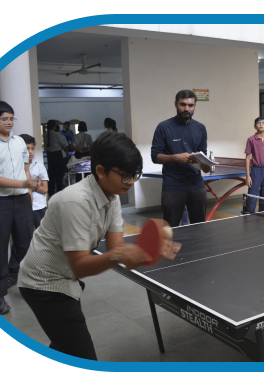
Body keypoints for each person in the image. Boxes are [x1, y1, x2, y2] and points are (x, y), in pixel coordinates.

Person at [17, 131, 180, 360]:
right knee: (82, 356)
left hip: (66, 277)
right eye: (125, 175)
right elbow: (83, 266)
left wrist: (147, 252)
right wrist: (122, 255)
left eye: (135, 175)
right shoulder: (74, 201)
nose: (131, 182)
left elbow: (116, 249)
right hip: (44, 284)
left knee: (65, 344)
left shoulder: (112, 196)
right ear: (100, 171)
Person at [0, 101, 41, 314]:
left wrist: (29, 192)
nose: (9, 122)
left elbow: (25, 169)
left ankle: (16, 275)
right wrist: (23, 184)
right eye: (4, 119)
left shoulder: (20, 143)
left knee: (25, 245)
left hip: (21, 201)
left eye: (12, 118)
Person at [151, 89, 211, 227]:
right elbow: (155, 157)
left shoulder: (200, 128)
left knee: (199, 226)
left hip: (196, 183)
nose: (186, 108)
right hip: (173, 184)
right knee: (170, 228)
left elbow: (203, 156)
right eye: (182, 104)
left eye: (190, 105)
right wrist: (176, 157)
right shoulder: (164, 127)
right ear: (175, 104)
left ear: (195, 105)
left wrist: (206, 166)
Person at [245, 117, 264, 212]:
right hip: (256, 170)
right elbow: (247, 158)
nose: (261, 124)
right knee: (252, 195)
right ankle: (249, 214)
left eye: (263, 123)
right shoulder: (251, 139)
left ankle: (263, 214)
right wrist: (247, 176)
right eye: (259, 123)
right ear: (255, 126)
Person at [20, 134, 49, 227]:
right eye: (27, 148)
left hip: (39, 206)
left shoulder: (39, 167)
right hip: (22, 207)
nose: (30, 152)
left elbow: (45, 189)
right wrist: (35, 185)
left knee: (42, 235)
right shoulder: (17, 167)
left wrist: (27, 186)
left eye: (32, 148)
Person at [44, 119, 68, 197]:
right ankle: (59, 191)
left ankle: (51, 192)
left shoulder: (45, 135)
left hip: (50, 156)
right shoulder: (57, 135)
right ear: (54, 127)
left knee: (51, 174)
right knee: (59, 174)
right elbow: (63, 146)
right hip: (57, 155)